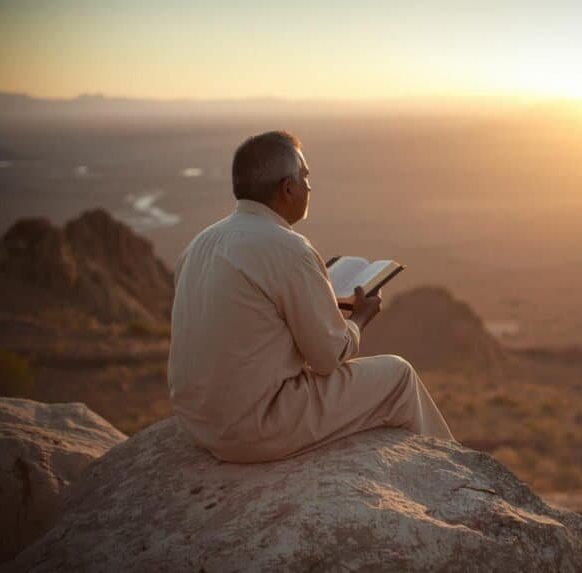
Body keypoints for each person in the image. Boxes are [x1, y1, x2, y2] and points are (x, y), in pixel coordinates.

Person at [167, 130, 454, 463]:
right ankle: (457, 474)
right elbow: (327, 358)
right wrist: (359, 317)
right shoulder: (289, 249)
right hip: (255, 428)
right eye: (305, 177)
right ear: (287, 188)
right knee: (398, 375)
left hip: (197, 425)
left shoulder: (199, 244)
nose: (309, 187)